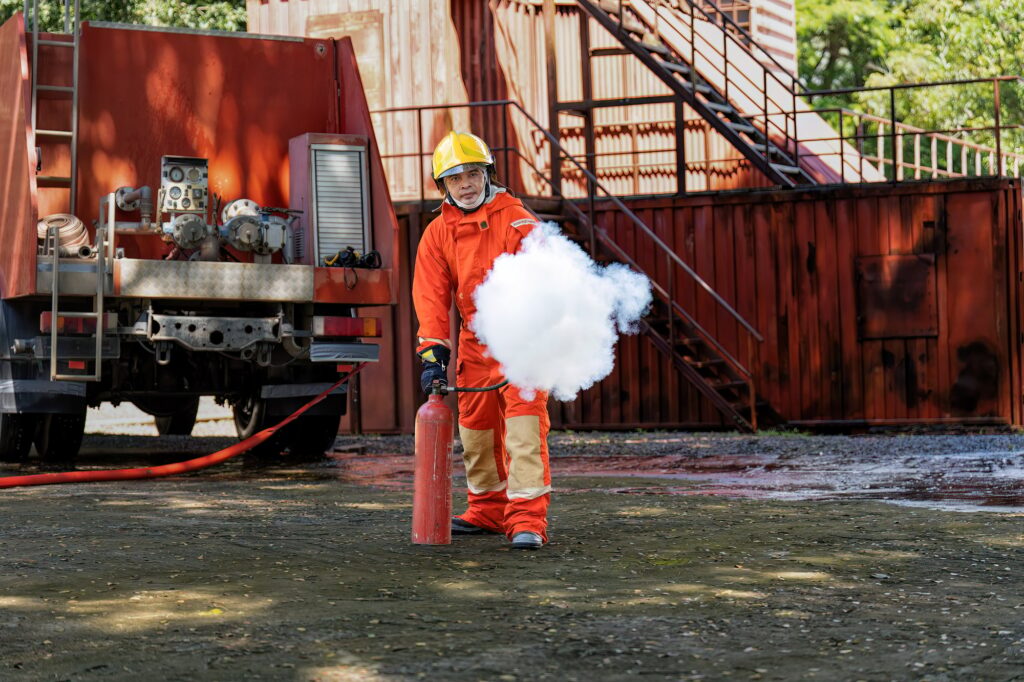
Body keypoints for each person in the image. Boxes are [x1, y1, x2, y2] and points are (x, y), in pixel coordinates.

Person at [412, 131, 551, 550]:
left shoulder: (518, 222)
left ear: (487, 174)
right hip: (474, 343)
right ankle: (488, 510)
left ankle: (527, 520)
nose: (466, 185)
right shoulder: (437, 233)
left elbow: (544, 285)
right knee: (475, 431)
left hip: (521, 341)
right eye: (455, 179)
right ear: (443, 186)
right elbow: (431, 299)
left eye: (472, 174)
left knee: (523, 432)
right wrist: (433, 356)